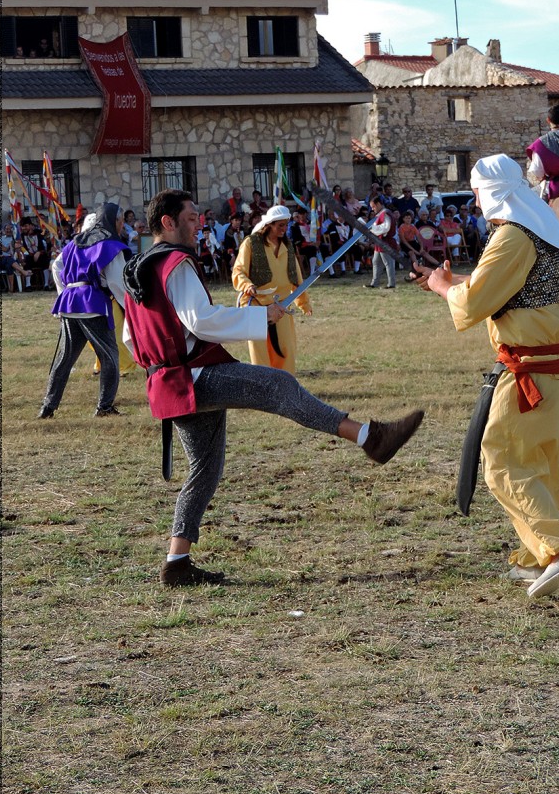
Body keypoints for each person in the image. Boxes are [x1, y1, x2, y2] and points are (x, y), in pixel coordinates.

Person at [121, 188, 424, 586]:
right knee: (279, 384)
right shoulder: (175, 263)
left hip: (168, 383)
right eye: (192, 218)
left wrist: (164, 362)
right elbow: (201, 321)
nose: (198, 224)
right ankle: (370, 437)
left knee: (204, 472)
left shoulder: (138, 269)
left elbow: (130, 337)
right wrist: (259, 317)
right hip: (192, 377)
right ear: (168, 222)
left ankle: (177, 562)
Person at [415, 153, 559, 601]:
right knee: (546, 460)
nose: (474, 201)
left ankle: (558, 548)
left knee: (502, 461)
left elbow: (475, 304)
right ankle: (538, 552)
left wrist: (444, 288)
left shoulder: (511, 236)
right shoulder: (538, 229)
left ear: (488, 192)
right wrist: (457, 280)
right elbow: (509, 287)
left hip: (535, 367)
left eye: (475, 192)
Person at [38, 203, 131, 419]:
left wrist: (65, 292)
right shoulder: (109, 245)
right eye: (120, 221)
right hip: (92, 303)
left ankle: (48, 407)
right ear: (112, 221)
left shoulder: (74, 243)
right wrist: (132, 307)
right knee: (110, 356)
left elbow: (56, 266)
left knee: (64, 359)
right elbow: (118, 282)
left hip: (70, 303)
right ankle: (104, 407)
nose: (122, 225)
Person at [231, 205, 310, 374]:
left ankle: (285, 385)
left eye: (286, 225)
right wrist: (247, 285)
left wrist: (303, 303)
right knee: (260, 351)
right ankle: (264, 388)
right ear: (270, 225)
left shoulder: (287, 247)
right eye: (280, 225)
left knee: (285, 348)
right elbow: (238, 271)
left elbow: (296, 277)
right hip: (256, 304)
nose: (284, 229)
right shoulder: (251, 243)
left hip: (281, 305)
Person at [365, 195, 397, 290]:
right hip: (380, 242)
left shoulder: (385, 214)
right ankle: (374, 283)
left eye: (374, 206)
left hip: (385, 241)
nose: (373, 209)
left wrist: (372, 229)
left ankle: (391, 284)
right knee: (376, 262)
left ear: (378, 204)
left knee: (388, 263)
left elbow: (386, 228)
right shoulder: (381, 215)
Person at [19, 217, 52, 288]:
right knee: (27, 260)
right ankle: (28, 285)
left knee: (44, 259)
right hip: (29, 257)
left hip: (40, 255)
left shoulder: (39, 233)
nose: (24, 228)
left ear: (30, 225)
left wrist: (39, 252)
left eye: (25, 226)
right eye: (22, 226)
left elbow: (45, 246)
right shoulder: (21, 236)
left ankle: (46, 284)